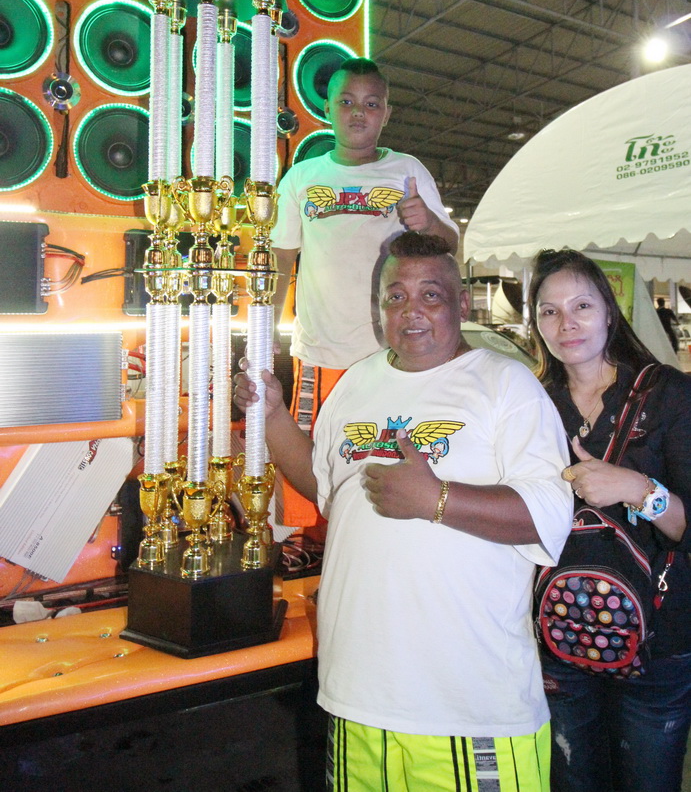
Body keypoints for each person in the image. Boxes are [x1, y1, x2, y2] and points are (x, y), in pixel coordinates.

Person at [236, 232, 573, 792]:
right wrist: (272, 417)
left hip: (468, 707)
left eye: (430, 295)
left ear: (461, 303)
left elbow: (550, 515)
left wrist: (436, 499)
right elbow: (330, 490)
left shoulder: (505, 384)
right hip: (356, 695)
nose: (411, 310)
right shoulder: (357, 382)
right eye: (396, 296)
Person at [527, 248, 691, 792]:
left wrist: (639, 490)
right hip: (560, 634)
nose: (566, 323)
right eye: (549, 311)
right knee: (573, 780)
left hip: (659, 642)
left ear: (608, 311)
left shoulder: (667, 395)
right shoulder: (532, 403)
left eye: (581, 306)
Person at [271, 58, 459, 525]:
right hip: (322, 350)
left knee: (382, 460)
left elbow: (449, 243)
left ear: (386, 114)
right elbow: (281, 260)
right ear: (326, 109)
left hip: (393, 355)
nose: (358, 112)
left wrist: (427, 221)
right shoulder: (301, 178)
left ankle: (375, 538)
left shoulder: (407, 170)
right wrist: (266, 330)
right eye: (347, 102)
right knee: (310, 463)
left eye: (371, 104)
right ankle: (310, 552)